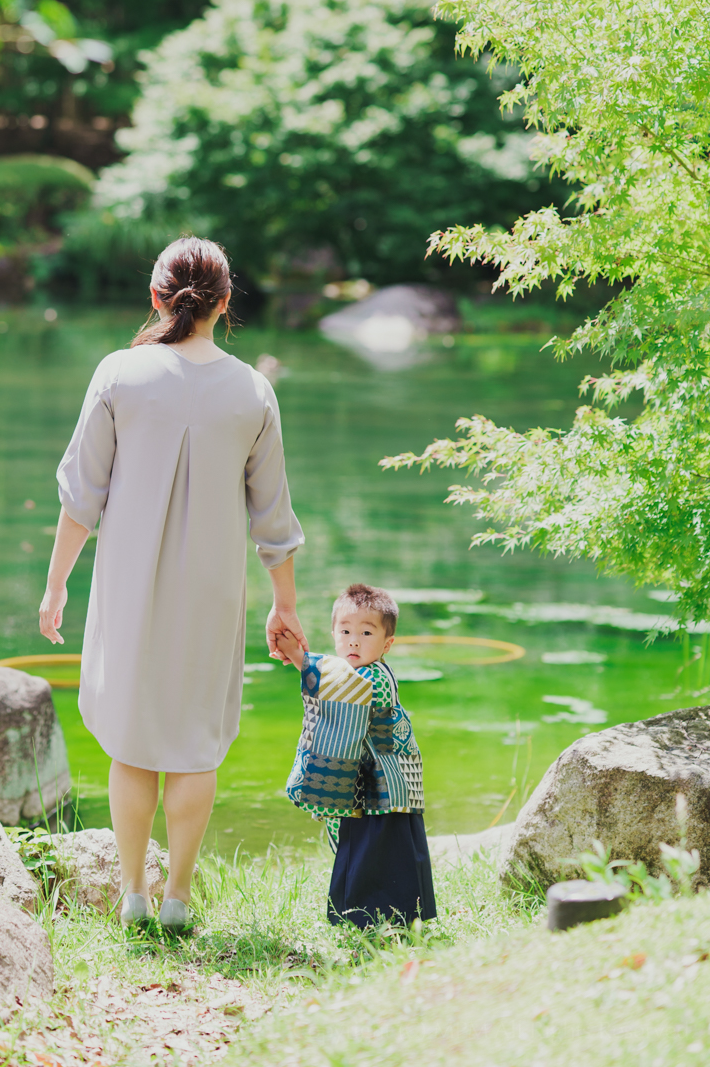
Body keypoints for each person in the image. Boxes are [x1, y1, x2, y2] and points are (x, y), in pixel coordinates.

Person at [38, 236, 306, 930]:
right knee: (193, 742)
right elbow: (272, 517)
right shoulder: (253, 391)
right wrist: (285, 603)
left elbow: (81, 498)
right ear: (225, 302)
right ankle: (179, 897)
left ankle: (133, 894)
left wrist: (56, 586)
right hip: (213, 591)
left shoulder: (119, 374)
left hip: (128, 586)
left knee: (133, 741)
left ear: (158, 297)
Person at [276, 583, 436, 931]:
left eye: (366, 632)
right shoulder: (361, 672)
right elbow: (336, 681)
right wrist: (299, 660)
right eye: (345, 631)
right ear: (333, 634)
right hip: (374, 782)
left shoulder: (373, 677)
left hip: (384, 786)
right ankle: (374, 917)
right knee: (369, 849)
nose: (353, 640)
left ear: (386, 644)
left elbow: (342, 687)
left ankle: (375, 918)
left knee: (378, 852)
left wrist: (299, 658)